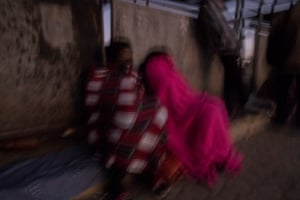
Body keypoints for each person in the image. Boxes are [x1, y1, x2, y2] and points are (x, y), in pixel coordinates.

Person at [85, 41, 180, 200]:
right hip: (105, 130)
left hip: (127, 129)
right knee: (129, 135)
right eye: (123, 58)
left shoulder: (131, 76)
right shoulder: (99, 75)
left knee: (152, 121)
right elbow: (97, 107)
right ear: (111, 59)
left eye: (130, 58)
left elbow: (137, 100)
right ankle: (116, 186)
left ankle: (149, 174)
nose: (127, 62)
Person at [140, 52, 242, 187]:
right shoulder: (154, 68)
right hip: (174, 113)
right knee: (210, 112)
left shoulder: (166, 67)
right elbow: (164, 95)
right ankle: (205, 156)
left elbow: (184, 91)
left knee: (215, 106)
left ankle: (215, 156)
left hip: (188, 103)